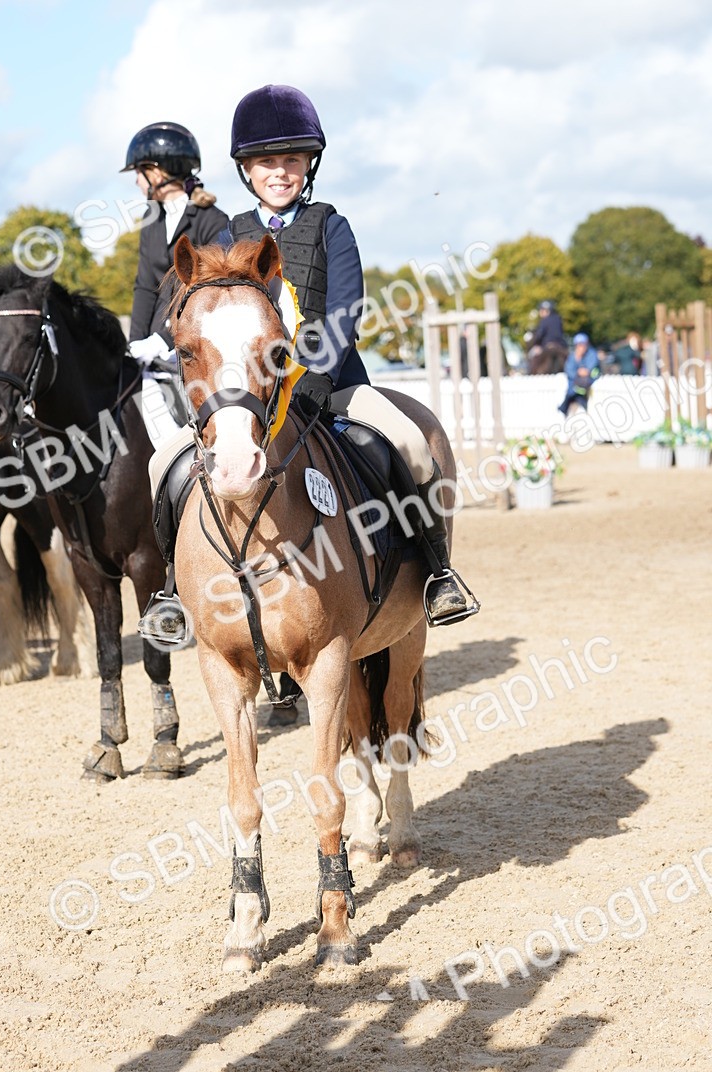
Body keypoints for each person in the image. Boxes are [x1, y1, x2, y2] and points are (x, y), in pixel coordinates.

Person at [145, 85, 477, 649]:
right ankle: (174, 593)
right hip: (248, 397)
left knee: (410, 444)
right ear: (246, 170)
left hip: (333, 386)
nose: (280, 172)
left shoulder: (330, 226)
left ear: (309, 165)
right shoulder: (228, 236)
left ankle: (437, 574)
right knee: (163, 466)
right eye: (267, 162)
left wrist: (312, 383)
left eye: (291, 161)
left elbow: (344, 310)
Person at [120, 122, 228, 446]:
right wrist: (135, 344)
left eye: (139, 173)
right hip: (151, 348)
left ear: (157, 172)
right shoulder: (150, 219)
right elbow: (144, 286)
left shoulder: (213, 221)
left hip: (193, 345)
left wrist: (165, 341)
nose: (137, 182)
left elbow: (209, 293)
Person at [559, 333, 601, 415]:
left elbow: (591, 369)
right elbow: (569, 370)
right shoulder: (573, 356)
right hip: (576, 384)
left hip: (588, 382)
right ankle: (565, 407)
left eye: (583, 344)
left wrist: (584, 371)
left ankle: (567, 406)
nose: (581, 347)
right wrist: (577, 359)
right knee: (572, 390)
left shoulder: (592, 354)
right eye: (579, 345)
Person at [528, 300, 568, 373]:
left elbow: (539, 336)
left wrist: (535, 344)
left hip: (547, 346)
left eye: (541, 310)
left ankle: (531, 373)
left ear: (545, 311)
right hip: (560, 347)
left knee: (533, 357)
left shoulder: (544, 321)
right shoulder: (558, 319)